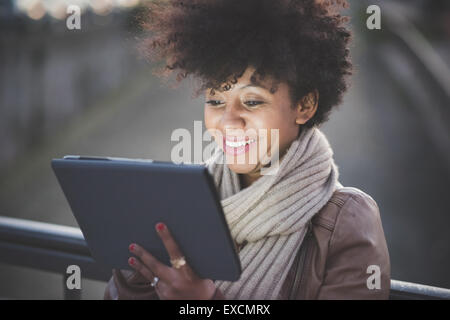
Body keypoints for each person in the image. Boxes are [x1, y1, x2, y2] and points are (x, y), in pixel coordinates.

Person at [104, 0, 390, 300]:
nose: (228, 121)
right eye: (215, 101)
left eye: (252, 101)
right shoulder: (181, 202)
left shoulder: (347, 224)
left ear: (304, 105)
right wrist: (137, 275)